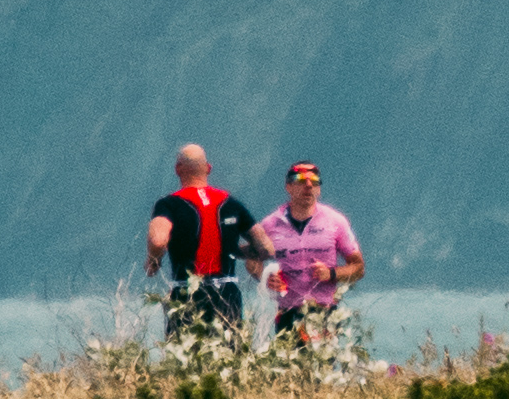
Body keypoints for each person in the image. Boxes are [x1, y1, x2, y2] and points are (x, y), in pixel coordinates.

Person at [146, 145, 261, 342]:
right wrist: (234, 251)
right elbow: (265, 246)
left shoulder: (169, 204)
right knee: (228, 354)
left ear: (177, 169)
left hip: (187, 292)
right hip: (227, 294)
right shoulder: (231, 203)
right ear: (208, 168)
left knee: (185, 355)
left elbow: (158, 240)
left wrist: (153, 261)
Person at [257, 163, 362, 340]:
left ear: (319, 189)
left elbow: (358, 267)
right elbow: (253, 261)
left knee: (322, 359)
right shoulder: (270, 224)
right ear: (288, 187)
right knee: (288, 359)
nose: (308, 185)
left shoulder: (336, 221)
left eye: (314, 181)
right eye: (300, 180)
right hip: (287, 312)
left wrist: (331, 273)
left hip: (324, 312)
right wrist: (265, 277)